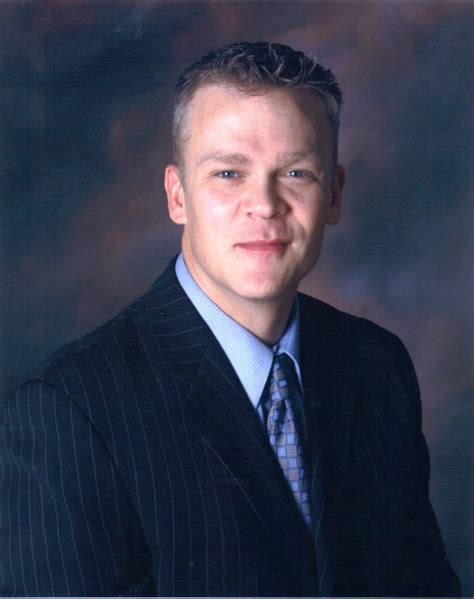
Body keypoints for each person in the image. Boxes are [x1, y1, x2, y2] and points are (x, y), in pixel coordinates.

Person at [0, 41, 460, 597]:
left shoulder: (377, 366)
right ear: (177, 196)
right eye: (228, 173)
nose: (264, 204)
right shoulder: (69, 412)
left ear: (334, 195)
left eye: (296, 172)